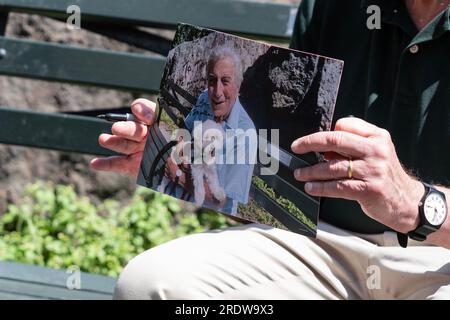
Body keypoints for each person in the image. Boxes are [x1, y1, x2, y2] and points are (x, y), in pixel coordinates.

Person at [90, 0, 450, 299]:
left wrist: (416, 204)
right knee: (153, 285)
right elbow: (278, 189)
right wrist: (180, 159)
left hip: (439, 262)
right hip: (322, 248)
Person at [161, 46, 256, 215]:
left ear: (238, 86)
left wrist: (178, 176)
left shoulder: (245, 134)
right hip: (171, 196)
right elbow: (185, 130)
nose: (217, 92)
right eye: (212, 80)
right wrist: (181, 145)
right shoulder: (205, 96)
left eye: (225, 81)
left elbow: (221, 200)